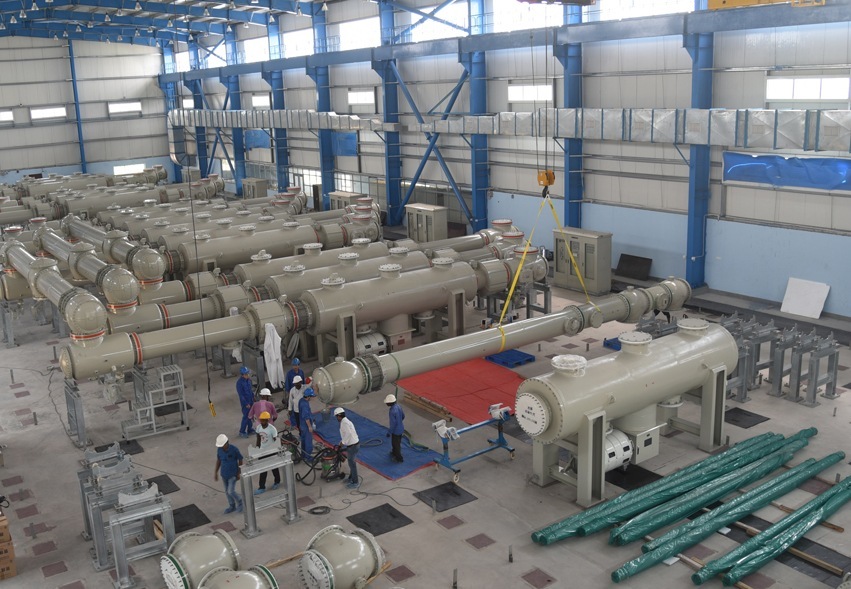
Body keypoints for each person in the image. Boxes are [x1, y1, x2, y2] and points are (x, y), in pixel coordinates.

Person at [214, 434, 244, 514]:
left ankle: (240, 501)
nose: (221, 447)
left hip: (233, 475)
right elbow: (219, 460)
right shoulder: (219, 450)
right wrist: (216, 472)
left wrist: (239, 472)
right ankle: (232, 506)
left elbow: (240, 459)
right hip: (224, 474)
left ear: (227, 443)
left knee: (230, 491)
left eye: (222, 445)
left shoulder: (234, 449)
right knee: (227, 492)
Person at [253, 412, 281, 495]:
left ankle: (277, 482)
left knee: (274, 468)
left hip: (271, 451)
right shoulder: (258, 428)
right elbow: (258, 439)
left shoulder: (272, 429)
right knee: (263, 470)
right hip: (262, 451)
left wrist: (278, 451)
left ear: (267, 420)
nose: (262, 422)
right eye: (261, 420)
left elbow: (276, 441)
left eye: (263, 420)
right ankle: (262, 487)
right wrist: (257, 450)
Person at [334, 407, 360, 489]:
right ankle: (351, 478)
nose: (336, 418)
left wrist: (343, 443)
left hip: (353, 446)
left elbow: (348, 433)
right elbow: (347, 434)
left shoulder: (344, 423)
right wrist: (342, 442)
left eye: (336, 417)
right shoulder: (345, 421)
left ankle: (355, 482)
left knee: (352, 464)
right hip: (354, 444)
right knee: (351, 463)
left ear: (339, 416)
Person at [385, 394, 405, 463]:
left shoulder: (392, 411)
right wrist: (399, 422)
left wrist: (389, 432)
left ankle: (399, 458)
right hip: (401, 428)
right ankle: (394, 452)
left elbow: (393, 424)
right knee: (396, 442)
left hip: (395, 431)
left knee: (396, 444)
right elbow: (403, 416)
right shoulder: (398, 406)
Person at [298, 387, 316, 463]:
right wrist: (309, 426)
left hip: (302, 425)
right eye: (311, 396)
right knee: (308, 442)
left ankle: (303, 455)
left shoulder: (301, 400)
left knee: (303, 441)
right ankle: (308, 457)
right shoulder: (305, 404)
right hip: (305, 426)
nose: (312, 398)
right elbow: (306, 417)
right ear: (308, 396)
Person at [237, 366, 255, 438]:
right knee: (246, 417)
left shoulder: (249, 380)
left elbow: (251, 390)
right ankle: (242, 431)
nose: (248, 375)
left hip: (251, 400)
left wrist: (253, 398)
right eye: (246, 374)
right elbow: (241, 395)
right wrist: (246, 403)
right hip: (245, 403)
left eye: (248, 374)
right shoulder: (239, 383)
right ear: (242, 375)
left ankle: (250, 429)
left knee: (250, 416)